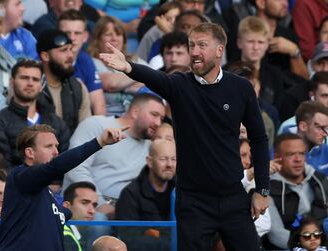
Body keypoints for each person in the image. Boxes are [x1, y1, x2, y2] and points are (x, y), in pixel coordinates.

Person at [99, 22, 270, 250]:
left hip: (234, 196)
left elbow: (259, 139)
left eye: (202, 45)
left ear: (219, 50)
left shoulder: (241, 88)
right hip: (193, 201)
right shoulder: (179, 85)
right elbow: (154, 78)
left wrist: (262, 190)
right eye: (191, 45)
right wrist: (129, 67)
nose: (195, 52)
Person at [0, 124, 126, 251]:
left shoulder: (46, 193)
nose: (56, 152)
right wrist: (99, 142)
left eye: (56, 146)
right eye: (48, 147)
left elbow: (60, 214)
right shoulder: (20, 177)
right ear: (30, 152)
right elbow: (55, 167)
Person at [63, 94, 165, 219]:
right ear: (135, 111)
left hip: (129, 209)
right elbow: (75, 166)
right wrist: (100, 203)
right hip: (90, 206)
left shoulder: (151, 147)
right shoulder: (97, 124)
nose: (158, 123)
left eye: (161, 118)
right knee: (99, 223)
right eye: (154, 115)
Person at [0, 59, 71, 167]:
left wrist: (56, 182)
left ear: (41, 85)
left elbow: (65, 160)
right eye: (24, 78)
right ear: (12, 82)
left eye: (35, 79)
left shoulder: (56, 123)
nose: (30, 83)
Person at [266, 133, 328, 250]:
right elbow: (276, 234)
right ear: (277, 157)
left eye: (301, 153)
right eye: (291, 154)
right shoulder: (268, 189)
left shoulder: (320, 180)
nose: (298, 159)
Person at [116, 139, 176, 251]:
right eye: (163, 159)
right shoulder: (130, 194)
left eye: (173, 159)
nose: (169, 164)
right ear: (149, 161)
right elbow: (129, 239)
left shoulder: (182, 192)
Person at [87, 16, 150, 116]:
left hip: (138, 120)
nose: (114, 38)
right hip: (109, 121)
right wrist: (140, 76)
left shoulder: (135, 60)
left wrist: (123, 85)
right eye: (108, 34)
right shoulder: (91, 62)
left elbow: (153, 78)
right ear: (97, 39)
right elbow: (111, 83)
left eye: (118, 34)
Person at [37, 29, 91, 132]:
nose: (70, 55)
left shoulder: (78, 87)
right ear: (45, 56)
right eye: (63, 50)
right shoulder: (30, 86)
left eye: (71, 49)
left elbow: (85, 131)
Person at [58, 9, 106, 115]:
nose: (72, 38)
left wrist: (100, 129)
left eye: (77, 33)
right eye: (67, 33)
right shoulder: (47, 60)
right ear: (57, 34)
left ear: (85, 37)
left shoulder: (85, 60)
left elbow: (98, 104)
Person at [63, 181, 100, 251]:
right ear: (67, 206)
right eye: (84, 203)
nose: (92, 211)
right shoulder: (65, 238)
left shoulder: (82, 235)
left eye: (94, 205)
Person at [294, 101, 328, 174]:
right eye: (320, 128)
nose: (325, 134)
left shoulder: (326, 151)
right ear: (303, 126)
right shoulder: (281, 153)